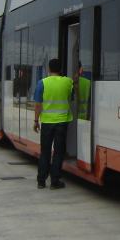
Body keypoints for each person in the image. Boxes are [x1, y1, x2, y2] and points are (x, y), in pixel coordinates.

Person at [33, 58, 74, 190]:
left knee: (45, 152)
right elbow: (72, 94)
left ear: (49, 69)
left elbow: (38, 104)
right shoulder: (68, 82)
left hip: (47, 123)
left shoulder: (42, 83)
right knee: (58, 152)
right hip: (61, 122)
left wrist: (36, 121)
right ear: (60, 69)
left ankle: (41, 181)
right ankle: (55, 181)